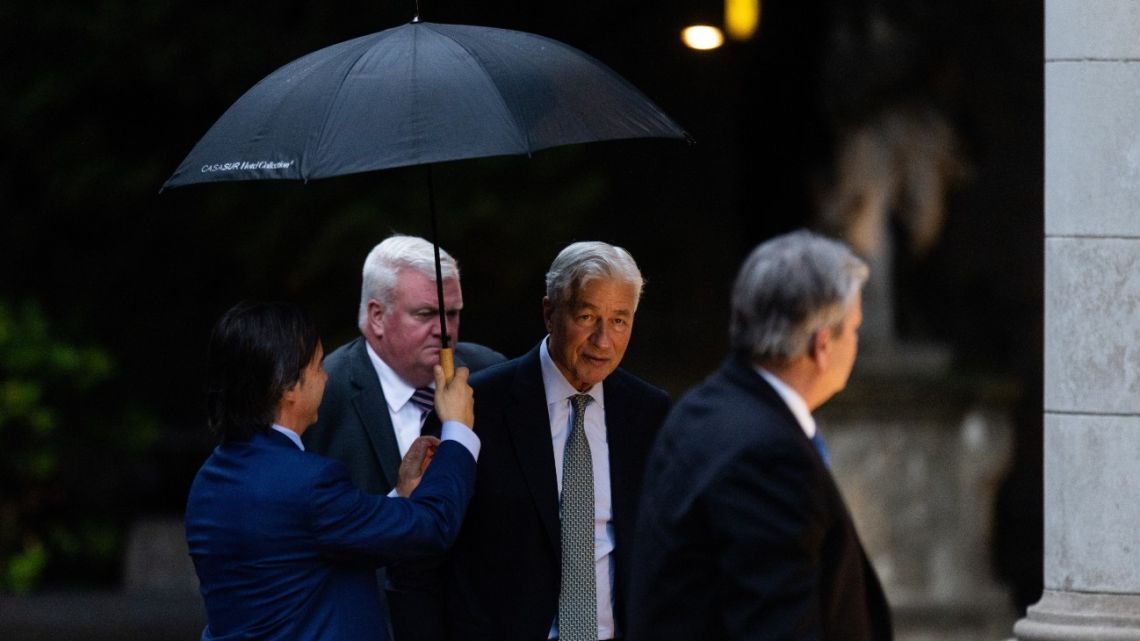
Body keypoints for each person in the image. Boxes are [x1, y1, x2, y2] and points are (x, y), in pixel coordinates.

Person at [627, 230, 893, 641]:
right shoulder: (768, 455)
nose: (855, 344)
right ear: (822, 345)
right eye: (854, 329)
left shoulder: (700, 408)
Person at [185, 301, 479, 641]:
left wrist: (401, 495)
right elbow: (433, 525)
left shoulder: (208, 478)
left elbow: (311, 546)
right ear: (289, 388)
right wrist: (458, 429)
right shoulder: (308, 484)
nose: (326, 376)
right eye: (318, 366)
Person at [429, 241, 670, 641]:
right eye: (587, 316)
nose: (603, 340)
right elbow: (429, 554)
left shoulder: (649, 413)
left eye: (619, 321)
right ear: (549, 313)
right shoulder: (475, 409)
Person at [301, 234, 502, 639]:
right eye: (426, 313)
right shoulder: (322, 396)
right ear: (376, 315)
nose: (445, 331)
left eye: (454, 313)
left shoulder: (492, 375)